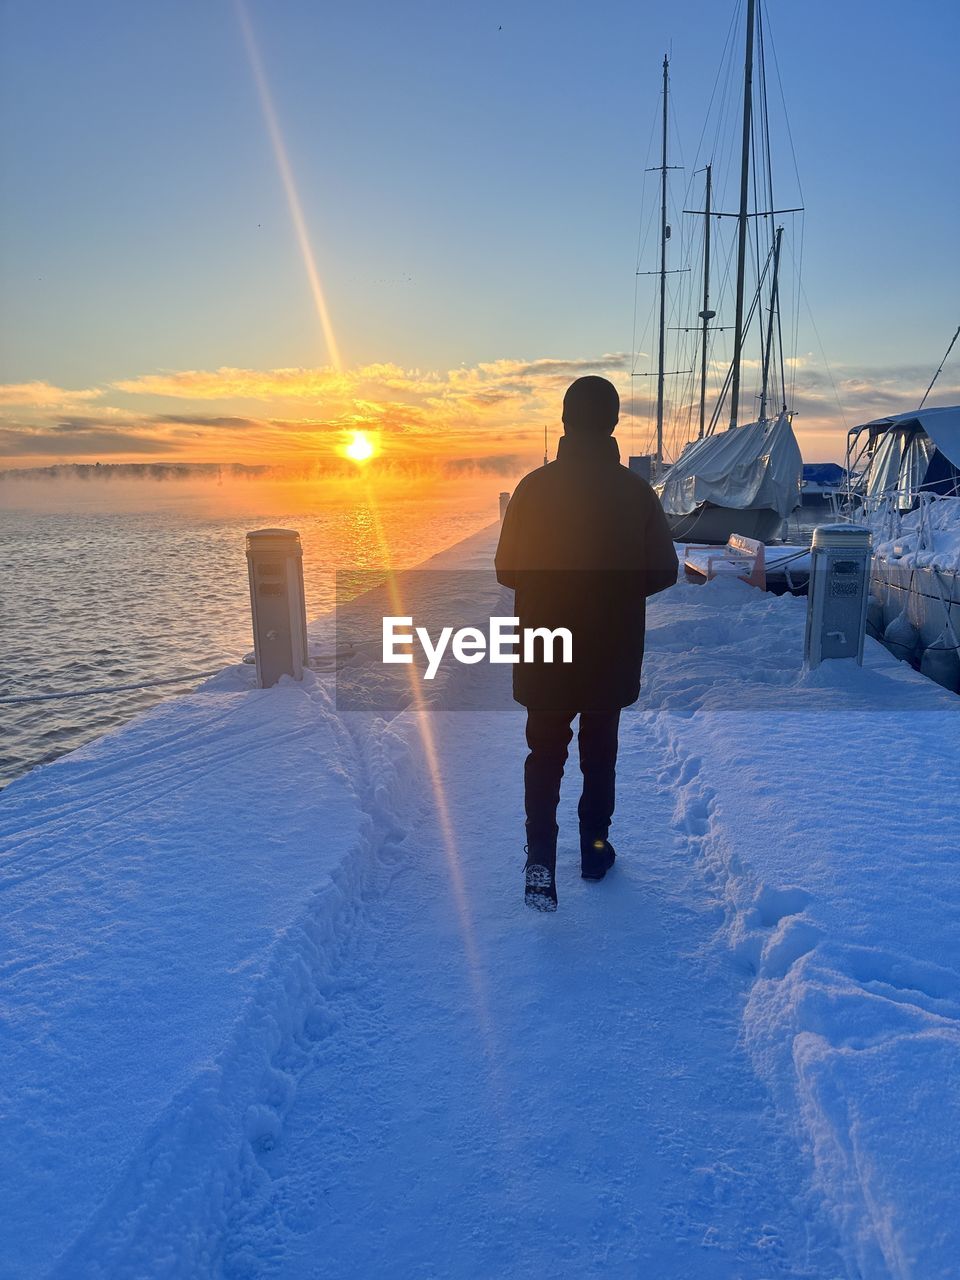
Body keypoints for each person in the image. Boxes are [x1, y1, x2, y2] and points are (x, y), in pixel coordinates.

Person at [495, 376, 678, 911]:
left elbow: (507, 569)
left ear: (563, 421)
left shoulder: (532, 488)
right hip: (609, 647)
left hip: (546, 644)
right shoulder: (635, 491)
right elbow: (663, 570)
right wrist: (617, 589)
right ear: (614, 423)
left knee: (544, 753)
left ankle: (540, 863)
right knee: (600, 755)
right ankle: (595, 853)